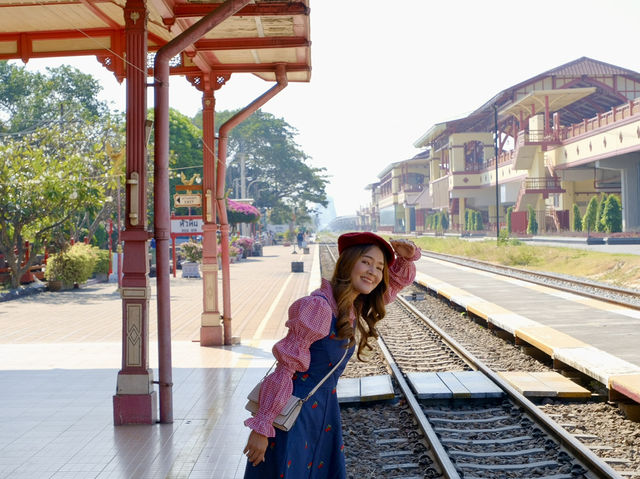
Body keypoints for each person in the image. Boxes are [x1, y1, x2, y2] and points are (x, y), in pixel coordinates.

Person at [243, 232, 421, 478]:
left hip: (322, 417)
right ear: (348, 263)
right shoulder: (318, 307)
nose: (373, 271)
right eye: (366, 262)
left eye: (379, 267)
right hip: (291, 419)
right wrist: (261, 428)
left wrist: (406, 258)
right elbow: (284, 369)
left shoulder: (350, 306)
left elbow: (392, 286)